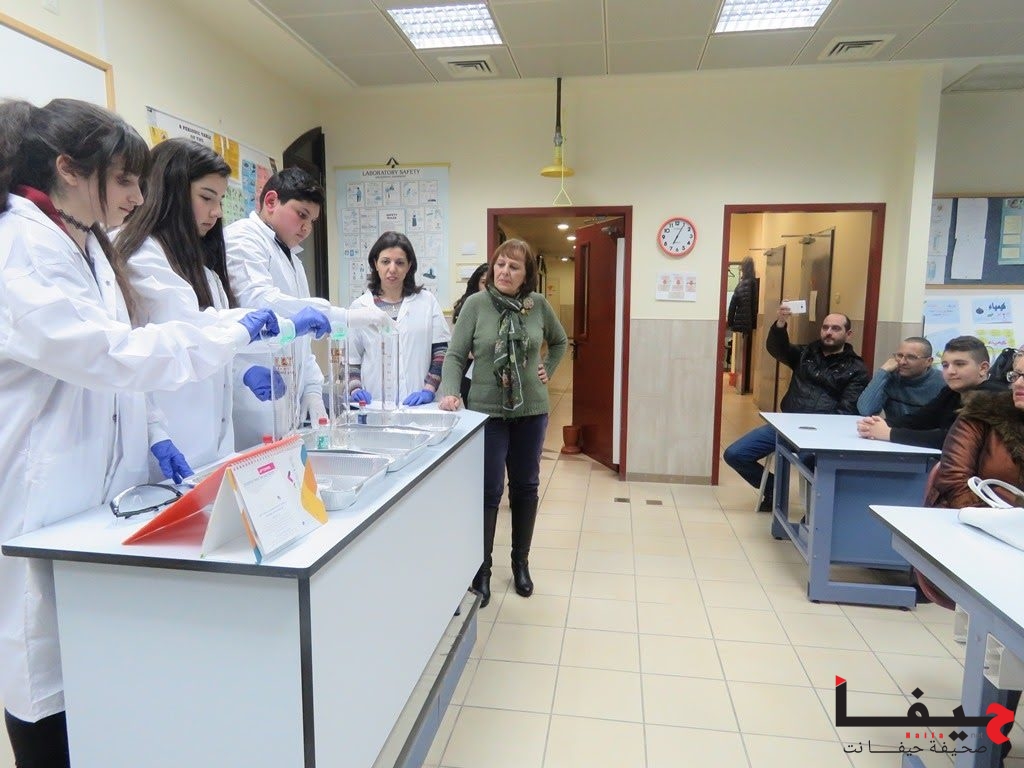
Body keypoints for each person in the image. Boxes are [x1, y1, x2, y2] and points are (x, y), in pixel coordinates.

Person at [0, 98, 279, 768]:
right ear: (69, 169)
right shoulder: (20, 244)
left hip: (92, 489)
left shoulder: (83, 240)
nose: (136, 195)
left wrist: (153, 427)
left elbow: (122, 354)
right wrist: (227, 335)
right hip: (39, 489)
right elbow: (109, 353)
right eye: (124, 179)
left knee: (96, 667)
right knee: (41, 670)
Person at [113, 139, 329, 473]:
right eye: (206, 198)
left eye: (220, 200)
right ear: (171, 191)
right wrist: (276, 325)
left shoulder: (204, 270)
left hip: (211, 443)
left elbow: (213, 337)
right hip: (171, 433)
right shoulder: (144, 255)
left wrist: (242, 371)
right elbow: (189, 333)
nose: (216, 212)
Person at [438, 239, 567, 607]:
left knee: (526, 487)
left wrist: (547, 368)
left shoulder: (537, 306)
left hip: (531, 412)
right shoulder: (476, 306)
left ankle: (520, 563)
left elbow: (560, 342)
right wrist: (450, 391)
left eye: (514, 267)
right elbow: (455, 356)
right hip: (487, 413)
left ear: (526, 275)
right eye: (500, 264)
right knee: (489, 490)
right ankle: (482, 571)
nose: (504, 272)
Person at [224, 167, 391, 449]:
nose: (306, 228)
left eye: (311, 221)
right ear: (271, 201)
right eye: (301, 215)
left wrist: (313, 388)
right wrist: (344, 316)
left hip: (285, 405)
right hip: (252, 402)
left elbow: (300, 340)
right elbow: (262, 303)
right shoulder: (243, 238)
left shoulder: (291, 258)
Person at [924, 352, 1024, 766]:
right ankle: (990, 738)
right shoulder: (982, 416)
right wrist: (1002, 530)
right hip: (992, 547)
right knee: (1005, 644)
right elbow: (954, 480)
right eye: (1017, 374)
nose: (1019, 383)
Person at [723, 306, 869, 510]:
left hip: (822, 434)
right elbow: (778, 349)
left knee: (811, 463)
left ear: (848, 334)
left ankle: (816, 513)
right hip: (787, 426)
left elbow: (847, 411)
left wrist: (822, 433)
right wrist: (781, 323)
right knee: (735, 454)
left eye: (835, 328)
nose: (828, 332)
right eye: (825, 327)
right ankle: (773, 488)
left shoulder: (856, 369)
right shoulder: (805, 354)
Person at [347, 231, 451, 406]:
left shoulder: (427, 301)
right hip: (375, 403)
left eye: (400, 262)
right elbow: (351, 359)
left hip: (420, 404)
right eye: (385, 261)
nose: (392, 269)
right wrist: (355, 388)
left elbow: (440, 351)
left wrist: (429, 388)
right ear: (375, 264)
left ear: (409, 266)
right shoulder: (360, 307)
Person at [856, 335, 1003, 449]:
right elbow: (922, 419)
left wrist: (889, 433)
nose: (950, 371)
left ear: (983, 368)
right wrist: (876, 424)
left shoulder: (993, 397)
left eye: (959, 364)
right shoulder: (952, 391)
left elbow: (952, 438)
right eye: (945, 365)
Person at [856, 336, 944, 419]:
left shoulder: (942, 382)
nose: (902, 362)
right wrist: (882, 372)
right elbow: (865, 411)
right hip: (891, 429)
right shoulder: (890, 377)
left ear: (928, 361)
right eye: (899, 355)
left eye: (911, 357)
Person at [451, 263, 488, 404]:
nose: (487, 287)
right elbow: (458, 346)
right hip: (470, 368)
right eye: (483, 283)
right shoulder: (466, 305)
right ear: (476, 283)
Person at [726, 255, 757, 334]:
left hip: (739, 322)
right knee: (745, 340)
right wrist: (754, 324)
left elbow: (732, 305)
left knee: (742, 340)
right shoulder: (753, 283)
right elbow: (754, 305)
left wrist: (730, 323)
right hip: (748, 322)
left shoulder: (740, 284)